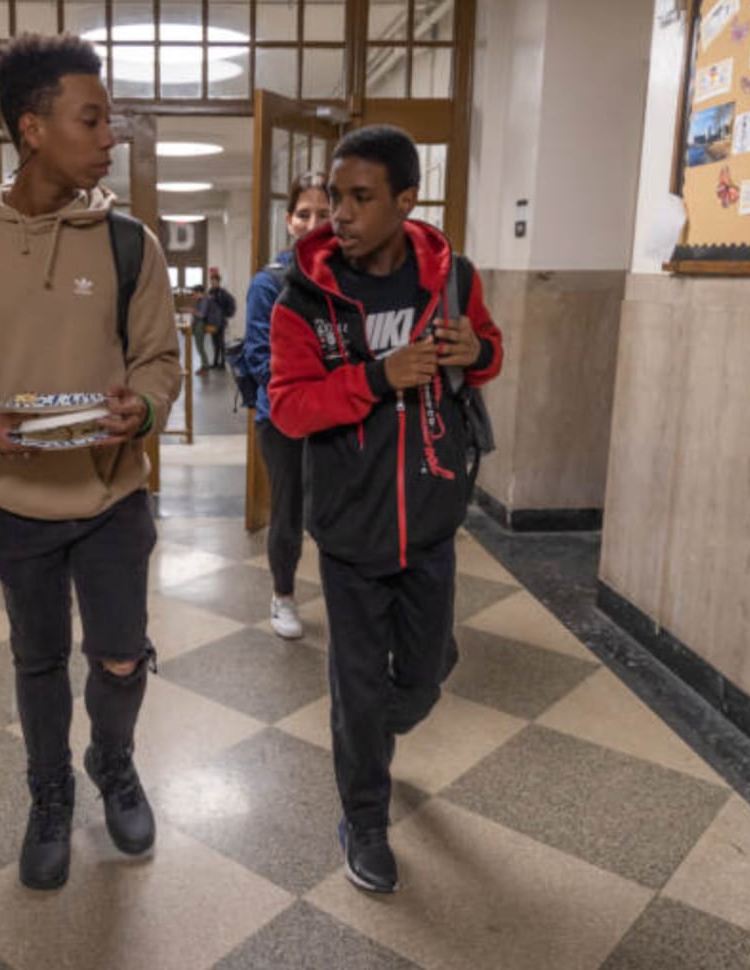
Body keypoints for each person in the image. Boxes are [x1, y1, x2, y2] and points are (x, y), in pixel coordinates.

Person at [0, 34, 181, 892]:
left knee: (122, 655)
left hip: (112, 496)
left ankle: (113, 763)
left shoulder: (132, 245)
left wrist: (147, 405)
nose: (110, 135)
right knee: (38, 660)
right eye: (90, 119)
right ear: (31, 129)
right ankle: (48, 793)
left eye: (109, 119)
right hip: (16, 503)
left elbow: (161, 359)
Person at [268, 126, 503, 894]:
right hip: (350, 530)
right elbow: (291, 408)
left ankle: (406, 697)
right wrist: (377, 377)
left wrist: (476, 352)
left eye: (362, 198)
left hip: (433, 520)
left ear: (407, 200)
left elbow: (490, 349)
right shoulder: (304, 296)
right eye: (335, 197)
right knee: (358, 690)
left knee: (426, 673)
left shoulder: (451, 277)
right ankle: (364, 817)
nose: (341, 213)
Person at [243, 173, 332, 639]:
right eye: (304, 214)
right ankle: (283, 596)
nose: (313, 223)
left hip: (339, 417)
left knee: (340, 512)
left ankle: (348, 597)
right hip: (282, 420)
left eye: (324, 213)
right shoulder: (269, 283)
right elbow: (260, 358)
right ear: (288, 220)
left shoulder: (347, 282)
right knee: (289, 511)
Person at [194, 268, 236, 373]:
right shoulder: (210, 292)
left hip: (221, 321)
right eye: (211, 281)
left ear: (218, 281)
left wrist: (225, 315)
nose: (212, 283)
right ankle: (215, 362)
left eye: (214, 281)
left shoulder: (223, 293)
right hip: (212, 321)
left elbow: (230, 304)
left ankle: (223, 363)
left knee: (220, 343)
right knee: (214, 342)